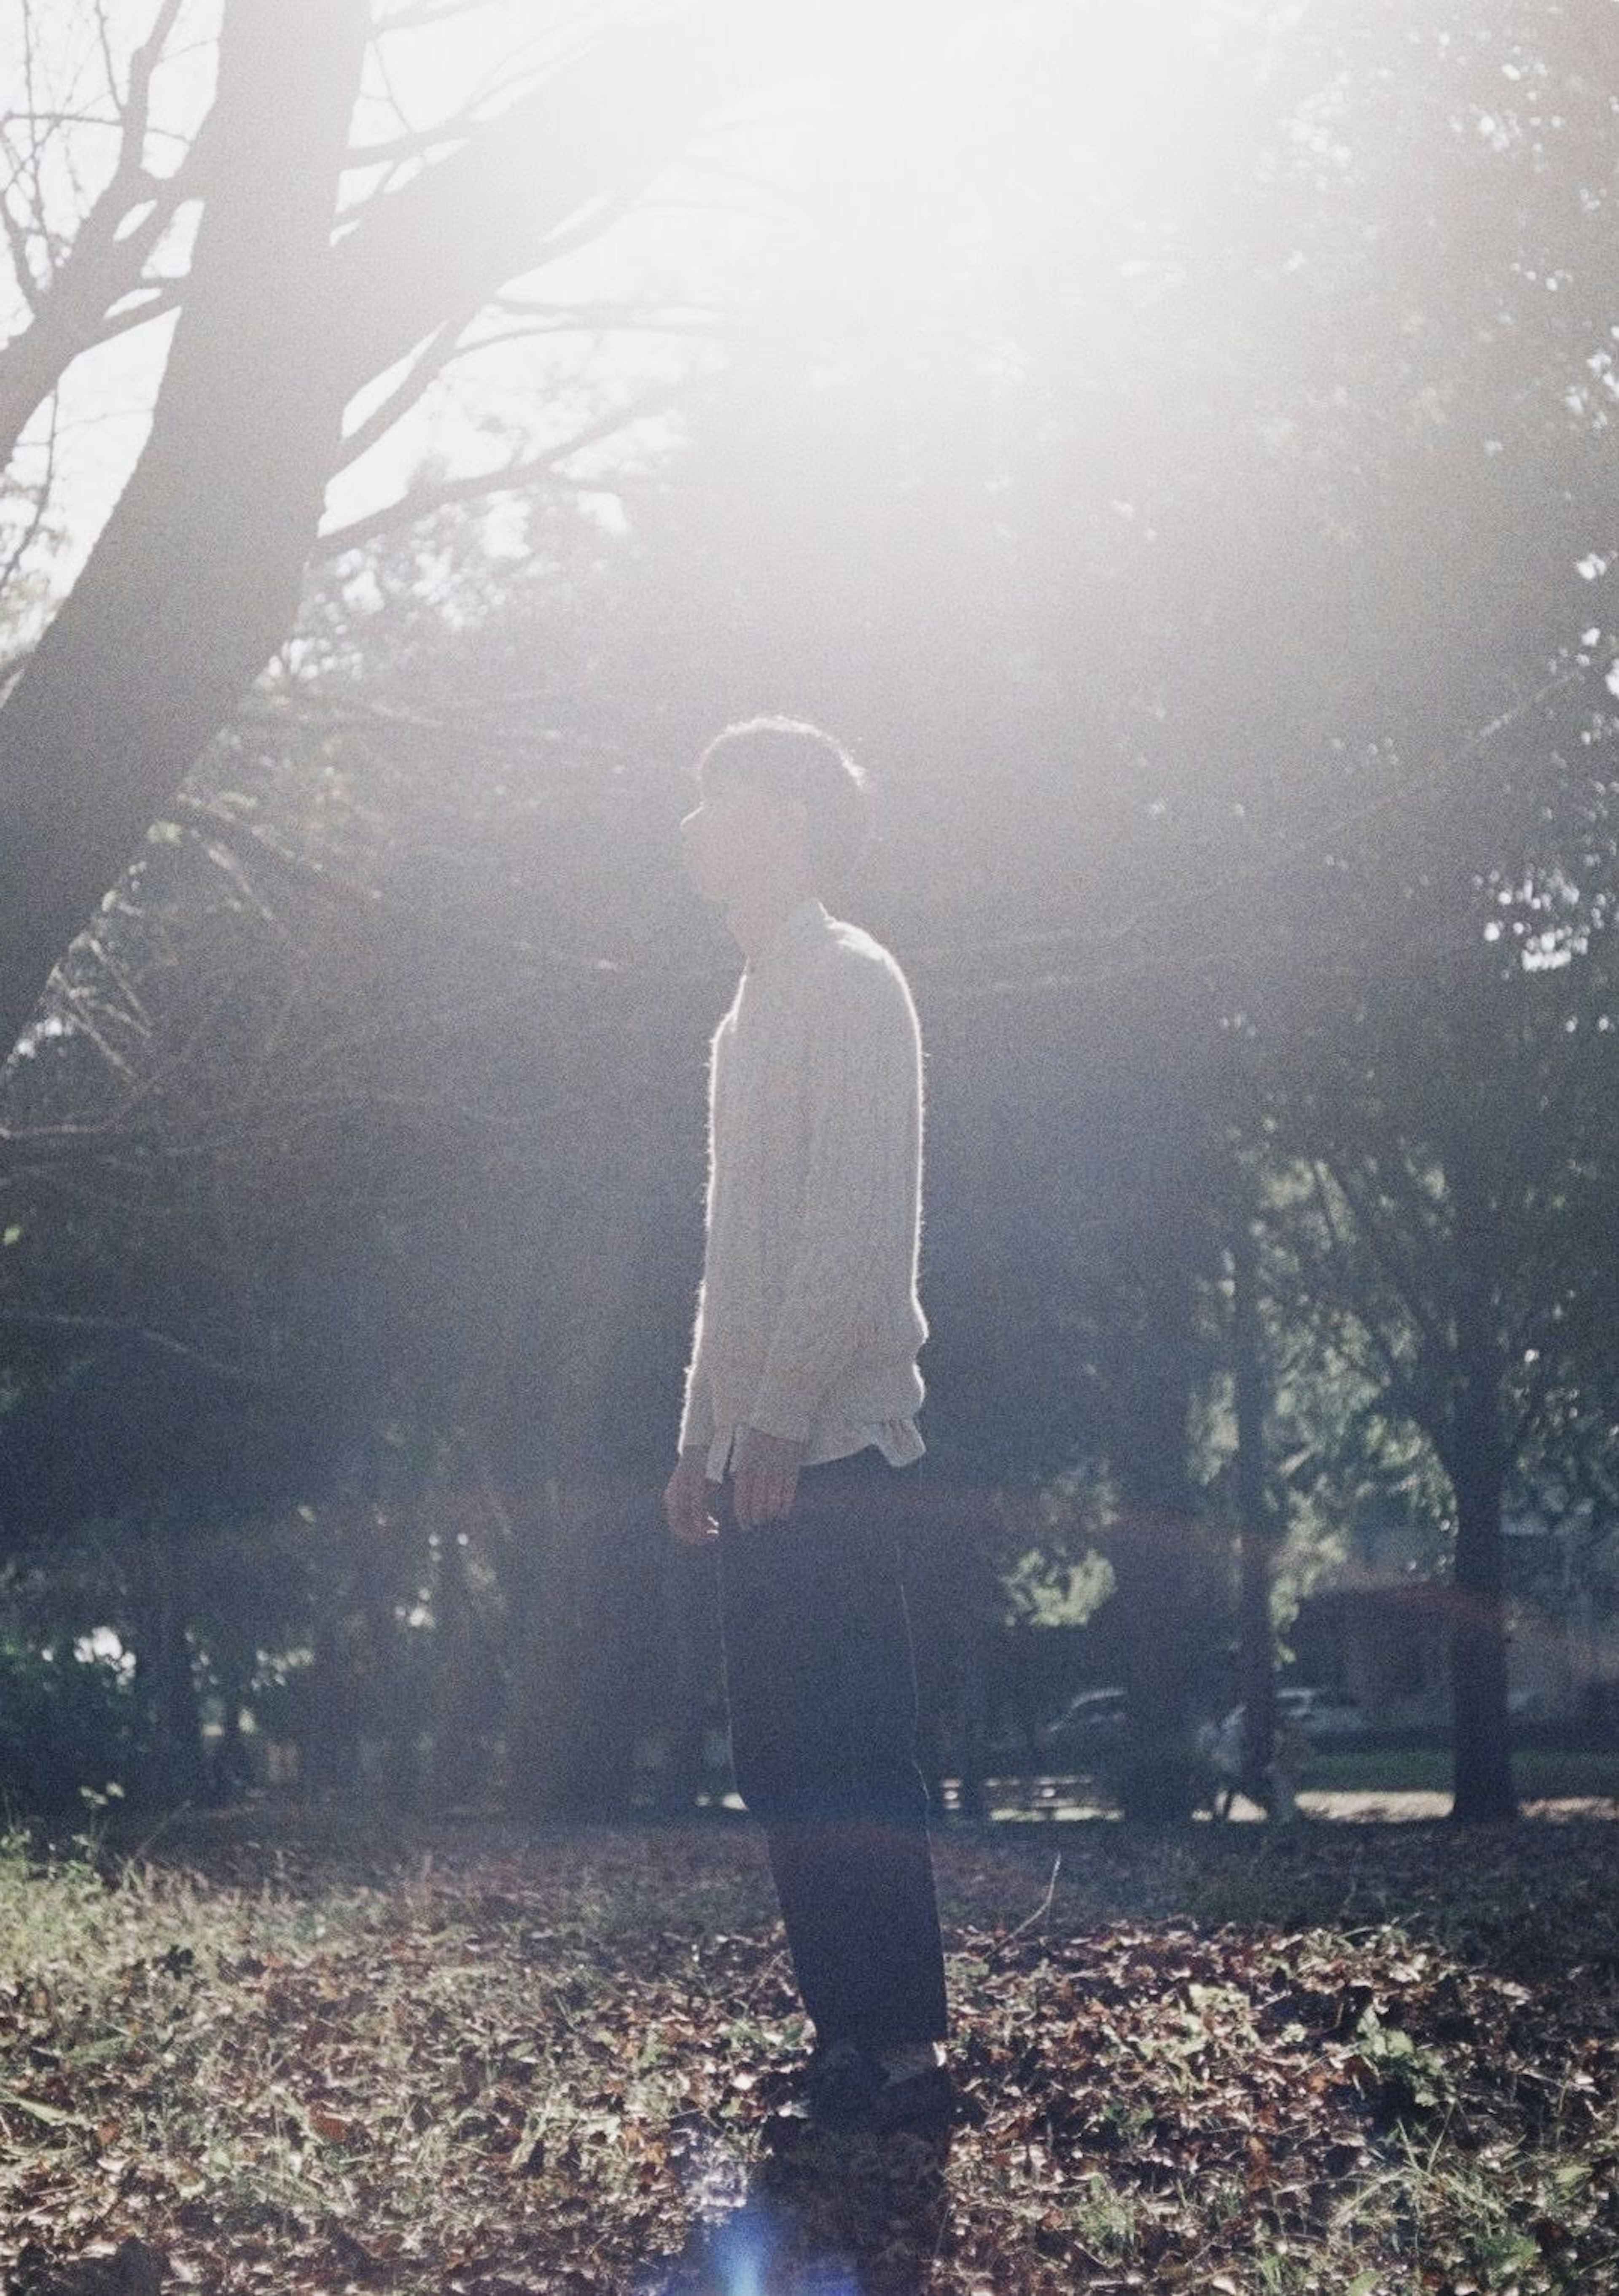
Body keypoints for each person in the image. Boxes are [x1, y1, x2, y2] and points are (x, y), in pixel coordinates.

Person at [662, 715, 953, 2137]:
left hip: (837, 1443)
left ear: (780, 816)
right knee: (777, 1755)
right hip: (760, 1447)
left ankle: (904, 2053)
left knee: (850, 1747)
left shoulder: (853, 983)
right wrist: (697, 1435)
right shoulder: (746, 1005)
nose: (691, 829)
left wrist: (772, 1423)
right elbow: (736, 1255)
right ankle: (845, 2036)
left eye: (715, 802)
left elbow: (854, 1229)